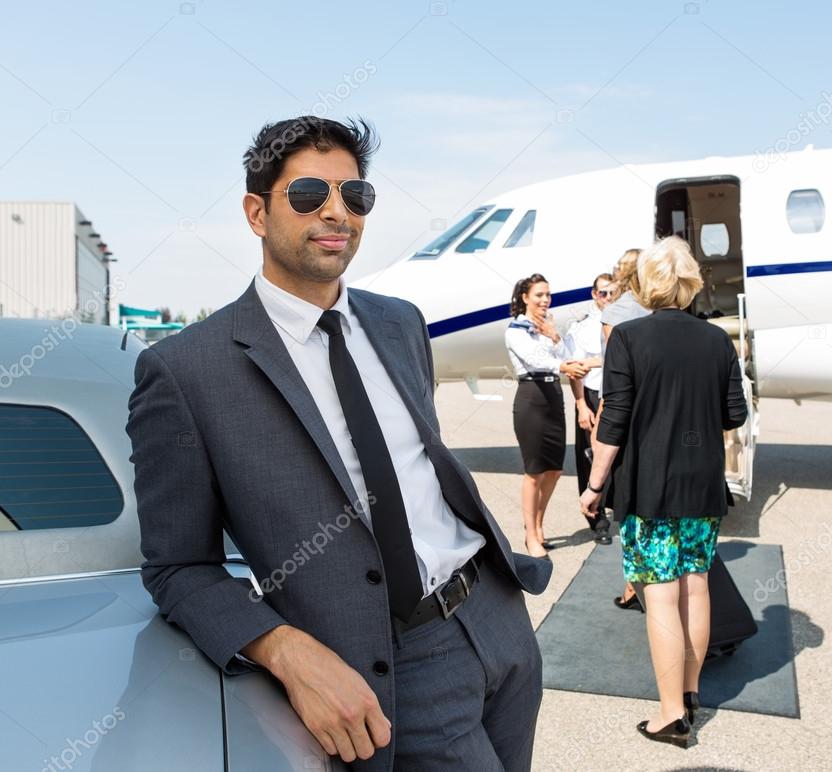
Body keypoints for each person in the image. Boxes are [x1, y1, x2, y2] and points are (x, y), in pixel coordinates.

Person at [126, 116, 552, 772]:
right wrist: (285, 649)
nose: (336, 212)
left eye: (355, 197)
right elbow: (177, 567)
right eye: (307, 195)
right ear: (256, 212)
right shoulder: (185, 372)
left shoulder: (399, 323)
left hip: (498, 620)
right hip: (394, 668)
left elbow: (422, 473)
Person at [580, 236, 748, 749]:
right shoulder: (716, 340)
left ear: (647, 283)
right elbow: (734, 415)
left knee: (660, 595)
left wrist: (593, 487)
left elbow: (614, 421)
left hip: (650, 486)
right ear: (690, 283)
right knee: (696, 586)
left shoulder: (628, 338)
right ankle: (692, 692)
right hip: (702, 484)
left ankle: (672, 714)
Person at [505, 274, 587, 559]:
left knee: (554, 469)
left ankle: (538, 523)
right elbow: (535, 360)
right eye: (539, 295)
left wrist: (555, 337)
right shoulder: (515, 329)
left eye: (548, 295)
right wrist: (563, 365)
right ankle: (530, 535)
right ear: (525, 297)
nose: (545, 300)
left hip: (553, 397)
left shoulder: (548, 327)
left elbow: (567, 354)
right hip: (532, 397)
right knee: (534, 471)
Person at [596, 249, 652, 608]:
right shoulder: (661, 311)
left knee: (628, 506)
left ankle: (637, 584)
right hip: (659, 419)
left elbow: (613, 378)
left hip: (627, 421)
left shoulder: (615, 314)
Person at [567, 272, 614, 544]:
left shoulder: (623, 320)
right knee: (590, 457)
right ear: (595, 295)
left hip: (616, 395)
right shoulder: (582, 327)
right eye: (604, 293)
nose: (608, 298)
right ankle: (598, 521)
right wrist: (581, 405)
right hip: (592, 395)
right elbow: (575, 370)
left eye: (613, 293)